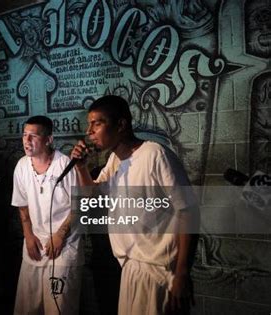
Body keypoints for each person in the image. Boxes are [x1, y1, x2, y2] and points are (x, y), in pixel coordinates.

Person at [71, 95, 198, 315]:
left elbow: (188, 212)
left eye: (97, 123)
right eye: (89, 124)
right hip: (131, 267)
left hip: (160, 271)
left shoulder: (155, 154)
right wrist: (81, 168)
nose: (89, 131)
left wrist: (182, 273)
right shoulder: (115, 161)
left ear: (121, 125)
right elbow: (92, 196)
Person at [11, 116, 83, 315]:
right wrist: (28, 235)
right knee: (28, 305)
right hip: (35, 242)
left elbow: (80, 205)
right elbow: (22, 205)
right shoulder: (22, 166)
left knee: (59, 307)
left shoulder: (65, 165)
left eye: (33, 136)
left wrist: (60, 234)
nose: (27, 140)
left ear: (49, 139)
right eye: (24, 135)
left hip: (64, 244)